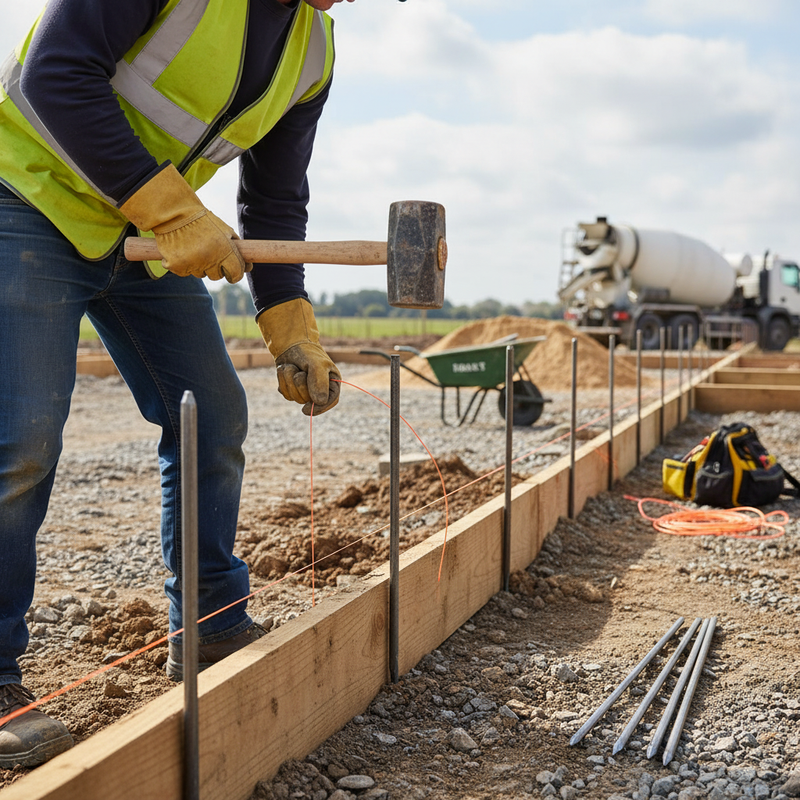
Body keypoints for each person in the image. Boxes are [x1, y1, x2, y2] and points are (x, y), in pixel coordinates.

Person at [0, 0, 358, 769]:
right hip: (27, 195)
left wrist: (288, 320)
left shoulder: (313, 50)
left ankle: (212, 621)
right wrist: (168, 208)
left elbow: (274, 199)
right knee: (21, 437)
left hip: (139, 230)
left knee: (212, 413)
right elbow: (53, 75)